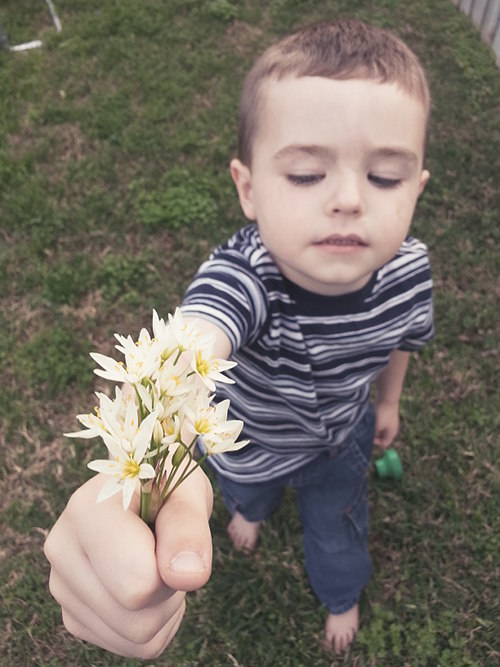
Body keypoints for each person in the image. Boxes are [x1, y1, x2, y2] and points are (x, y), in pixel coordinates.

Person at [44, 19, 434, 657]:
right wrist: (152, 416)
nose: (347, 199)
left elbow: (401, 343)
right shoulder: (244, 277)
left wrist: (387, 402)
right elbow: (202, 331)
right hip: (248, 444)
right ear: (248, 189)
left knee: (337, 530)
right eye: (307, 174)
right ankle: (249, 510)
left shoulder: (409, 272)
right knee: (246, 493)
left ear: (416, 190)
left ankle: (340, 594)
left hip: (342, 440)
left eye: (385, 178)